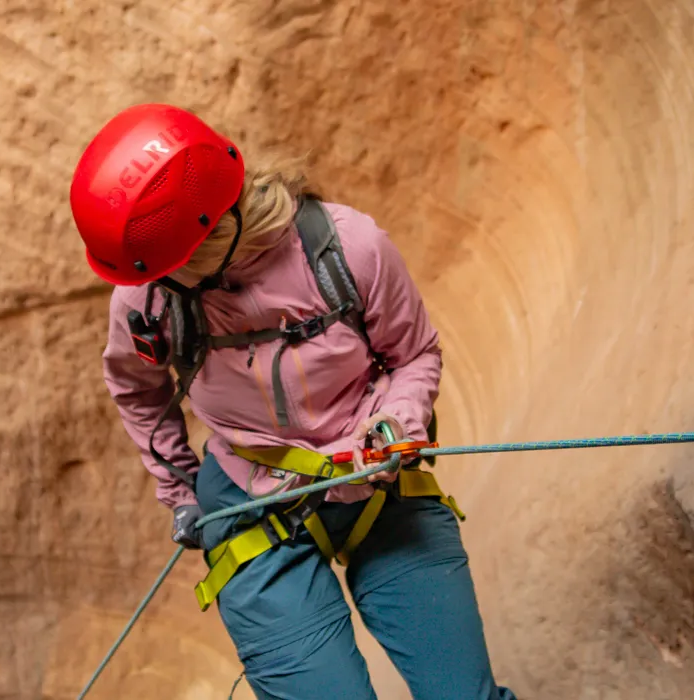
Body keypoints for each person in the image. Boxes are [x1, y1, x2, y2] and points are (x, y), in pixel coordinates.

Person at [69, 103, 517, 700]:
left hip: (377, 481)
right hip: (249, 506)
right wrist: (180, 490)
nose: (148, 285)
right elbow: (136, 389)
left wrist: (394, 424)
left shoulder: (346, 247)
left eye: (169, 271)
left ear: (208, 241)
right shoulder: (148, 298)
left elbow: (413, 355)